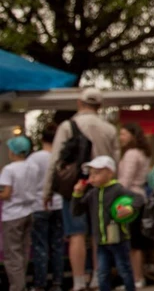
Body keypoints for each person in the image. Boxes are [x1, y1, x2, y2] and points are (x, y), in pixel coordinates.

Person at [44, 88, 120, 291]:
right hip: (102, 187)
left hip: (76, 187)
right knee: (98, 233)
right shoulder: (109, 129)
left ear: (79, 103)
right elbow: (116, 162)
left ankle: (78, 281)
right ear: (100, 106)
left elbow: (55, 161)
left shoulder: (68, 126)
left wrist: (47, 191)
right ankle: (98, 277)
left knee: (76, 233)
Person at [70, 156, 145, 291]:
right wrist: (77, 193)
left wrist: (130, 208)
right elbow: (76, 211)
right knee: (102, 273)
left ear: (110, 173)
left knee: (124, 270)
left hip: (119, 239)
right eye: (91, 174)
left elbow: (138, 198)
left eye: (97, 173)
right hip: (101, 241)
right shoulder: (92, 193)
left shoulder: (117, 189)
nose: (92, 177)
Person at [28, 123, 65, 291]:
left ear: (42, 139)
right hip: (59, 204)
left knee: (40, 246)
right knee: (57, 245)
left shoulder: (34, 158)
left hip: (38, 205)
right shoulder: (61, 157)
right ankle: (58, 281)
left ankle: (40, 283)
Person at [1, 135, 37, 291]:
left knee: (12, 253)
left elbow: (6, 193)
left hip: (12, 214)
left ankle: (17, 287)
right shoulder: (33, 167)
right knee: (23, 251)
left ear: (13, 151)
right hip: (29, 211)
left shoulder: (9, 169)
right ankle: (21, 284)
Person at [118, 122, 152, 289]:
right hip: (141, 197)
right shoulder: (143, 153)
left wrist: (113, 192)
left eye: (123, 134)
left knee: (133, 243)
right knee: (136, 241)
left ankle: (136, 278)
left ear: (132, 135)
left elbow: (126, 179)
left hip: (130, 199)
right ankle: (137, 276)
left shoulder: (131, 154)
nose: (121, 137)